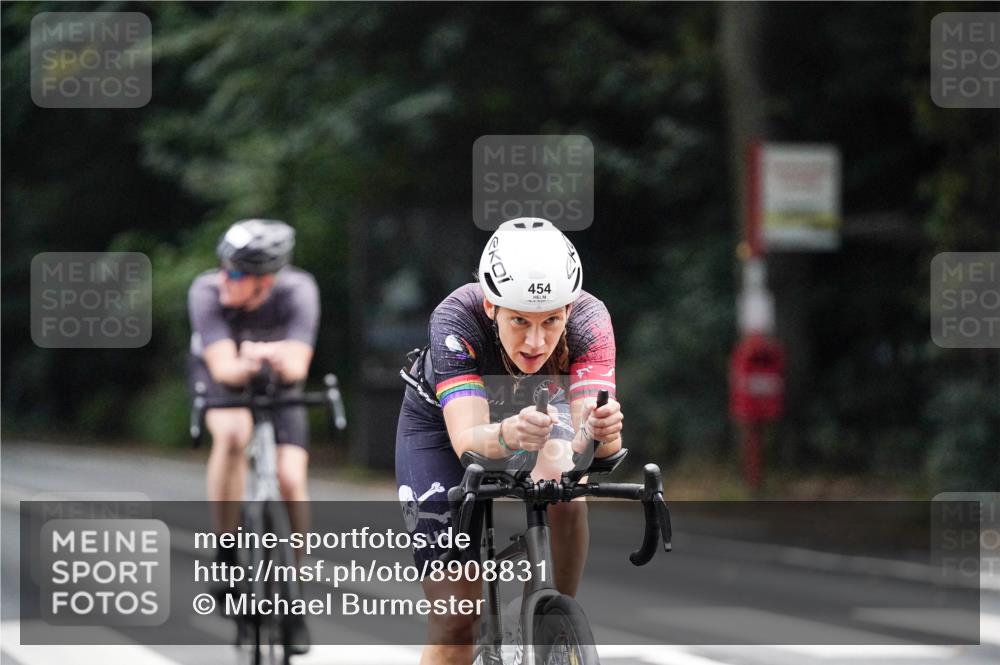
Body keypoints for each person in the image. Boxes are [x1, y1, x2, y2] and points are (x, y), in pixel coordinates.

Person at [396, 218, 623, 664]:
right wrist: (507, 433)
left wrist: (603, 432)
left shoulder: (591, 321)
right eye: (519, 320)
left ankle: (550, 625)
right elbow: (468, 442)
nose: (535, 342)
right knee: (454, 623)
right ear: (491, 308)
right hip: (443, 426)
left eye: (551, 321)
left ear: (570, 310)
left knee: (567, 493)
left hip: (537, 409)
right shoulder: (456, 317)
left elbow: (587, 442)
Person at [187, 218, 319, 653]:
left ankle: (294, 593)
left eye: (238, 274)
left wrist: (262, 358)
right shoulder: (206, 292)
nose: (225, 277)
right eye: (224, 266)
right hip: (221, 384)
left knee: (290, 479)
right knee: (232, 433)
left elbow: (297, 368)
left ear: (266, 282)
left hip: (280, 391)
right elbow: (224, 369)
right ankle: (226, 552)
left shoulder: (298, 290)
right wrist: (265, 356)